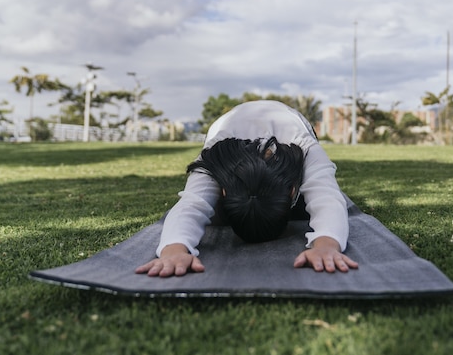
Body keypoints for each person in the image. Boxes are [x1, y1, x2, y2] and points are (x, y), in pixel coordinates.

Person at [135, 100, 358, 277]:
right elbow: (192, 203)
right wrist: (174, 251)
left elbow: (326, 195)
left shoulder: (303, 146)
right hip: (236, 123)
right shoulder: (217, 153)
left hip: (287, 119)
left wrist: (327, 245)